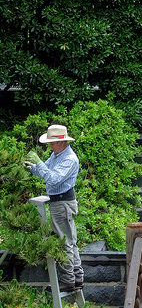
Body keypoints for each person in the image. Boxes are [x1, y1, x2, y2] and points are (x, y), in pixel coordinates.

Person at [25, 124, 84, 292]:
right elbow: (45, 171)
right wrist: (33, 168)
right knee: (70, 242)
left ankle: (68, 281)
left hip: (62, 203)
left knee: (64, 242)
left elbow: (53, 179)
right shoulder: (57, 155)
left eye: (52, 143)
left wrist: (39, 164)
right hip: (60, 202)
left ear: (62, 142)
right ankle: (77, 278)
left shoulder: (69, 159)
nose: (49, 146)